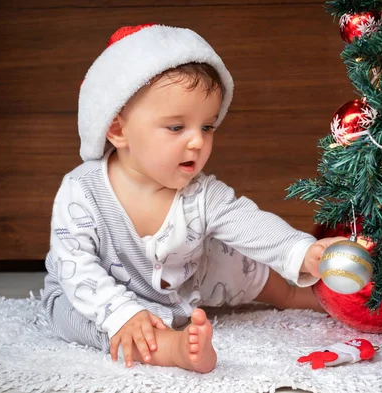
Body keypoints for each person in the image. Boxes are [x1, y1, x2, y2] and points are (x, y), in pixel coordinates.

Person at [42, 23, 344, 374]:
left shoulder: (200, 193)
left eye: (207, 126)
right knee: (79, 317)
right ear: (118, 129)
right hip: (93, 292)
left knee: (234, 256)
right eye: (176, 127)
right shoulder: (82, 192)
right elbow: (75, 264)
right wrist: (124, 313)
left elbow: (249, 224)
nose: (198, 142)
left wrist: (303, 251)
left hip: (183, 282)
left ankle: (293, 295)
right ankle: (169, 349)